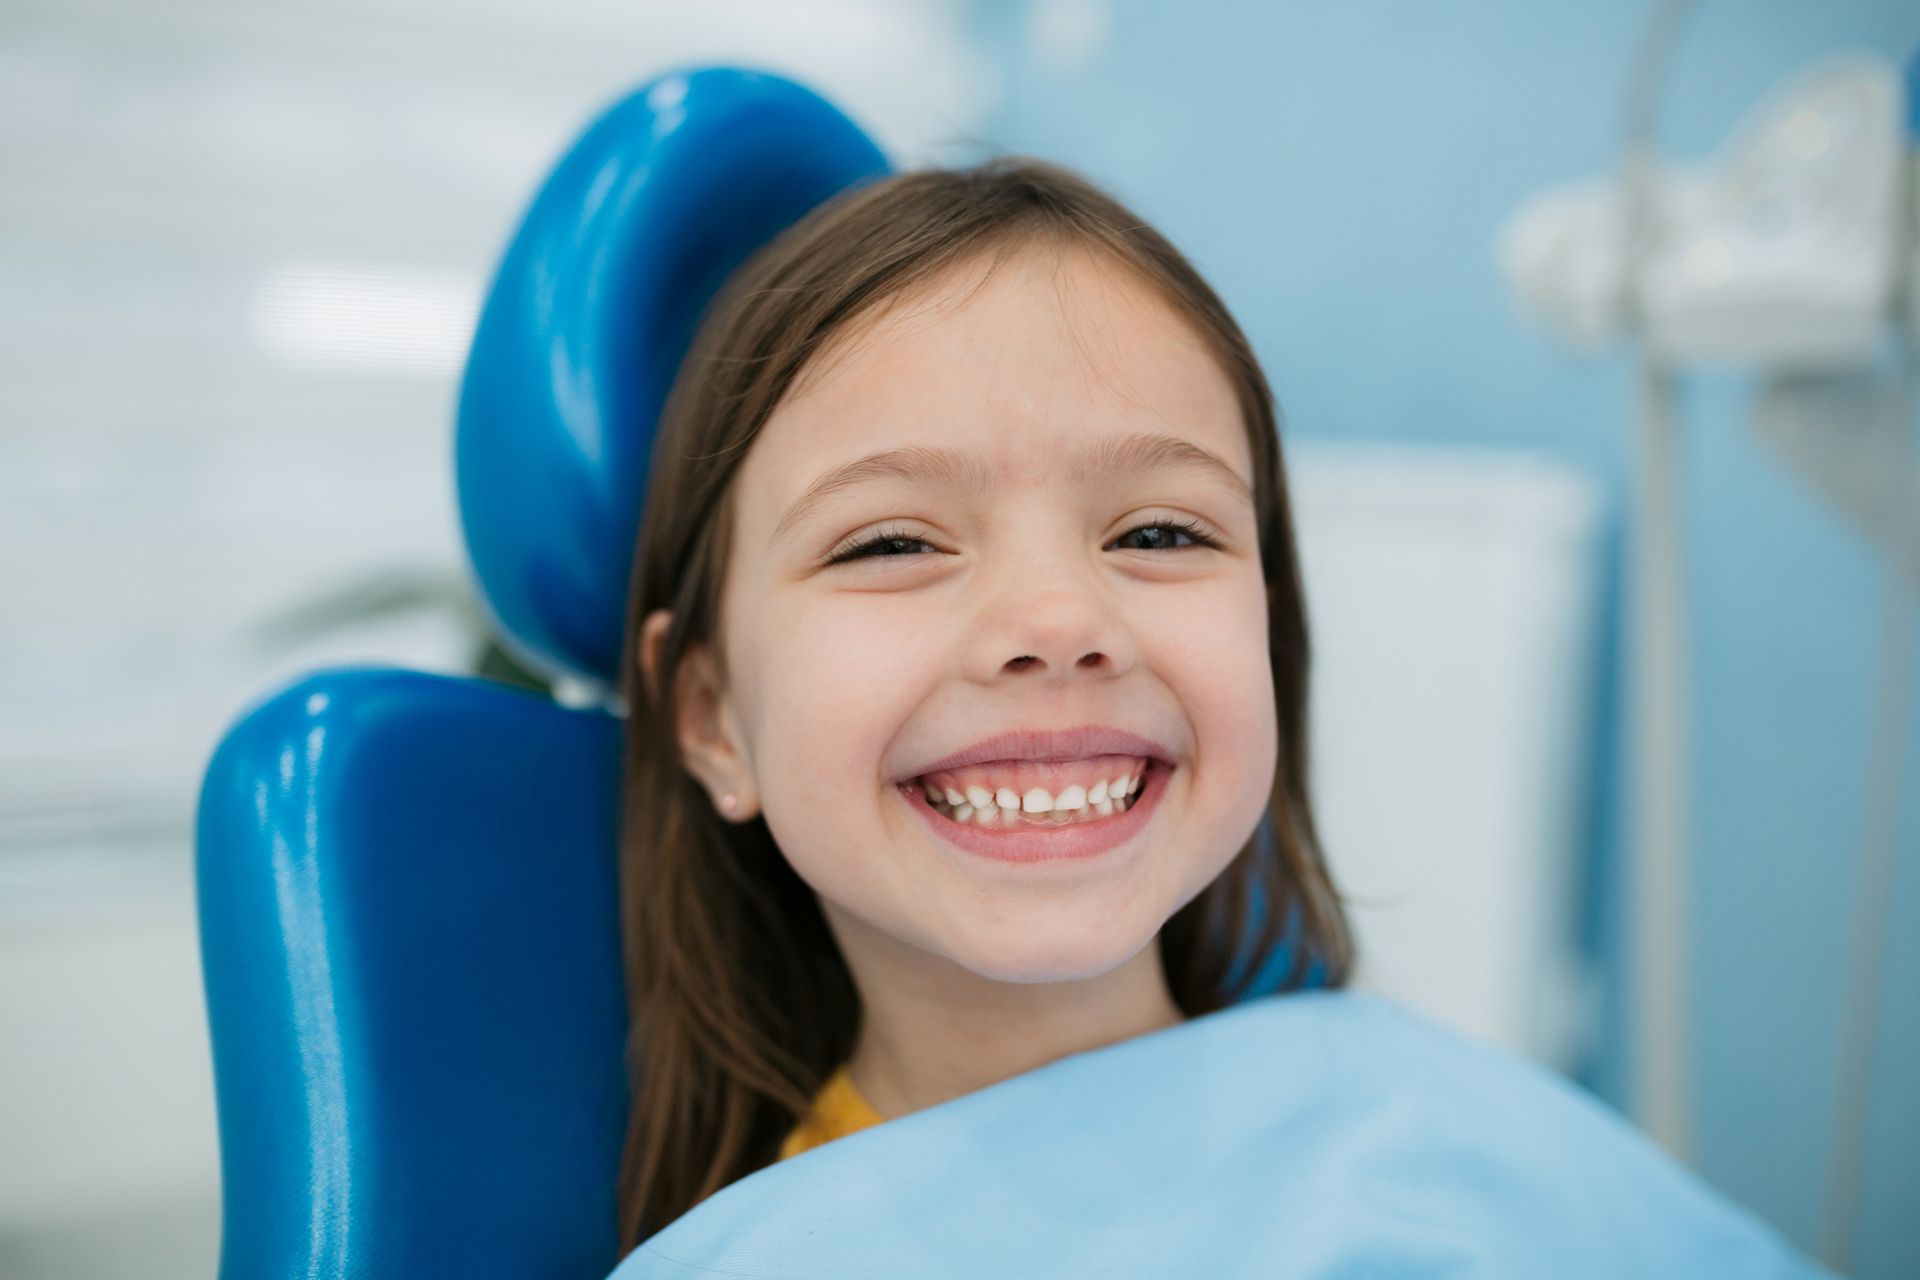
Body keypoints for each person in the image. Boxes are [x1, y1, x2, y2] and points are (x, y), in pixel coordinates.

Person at [608, 157, 1830, 1278]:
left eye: (1159, 531)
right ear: (712, 715)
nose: (1056, 617)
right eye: (891, 541)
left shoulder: (1453, 1138)